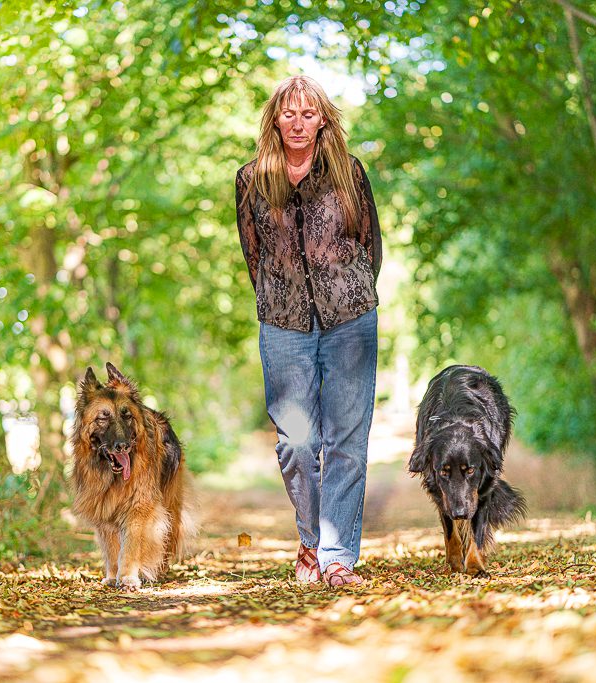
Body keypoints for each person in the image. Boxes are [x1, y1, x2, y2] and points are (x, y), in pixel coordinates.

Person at [234, 75, 382, 587]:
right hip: (283, 322)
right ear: (275, 118)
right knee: (296, 441)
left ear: (323, 120)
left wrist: (349, 294)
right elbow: (253, 254)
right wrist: (283, 298)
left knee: (347, 441)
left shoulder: (349, 173)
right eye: (289, 113)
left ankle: (336, 559)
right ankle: (311, 539)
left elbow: (370, 244)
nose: (298, 123)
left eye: (308, 114)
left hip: (351, 320)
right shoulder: (251, 179)